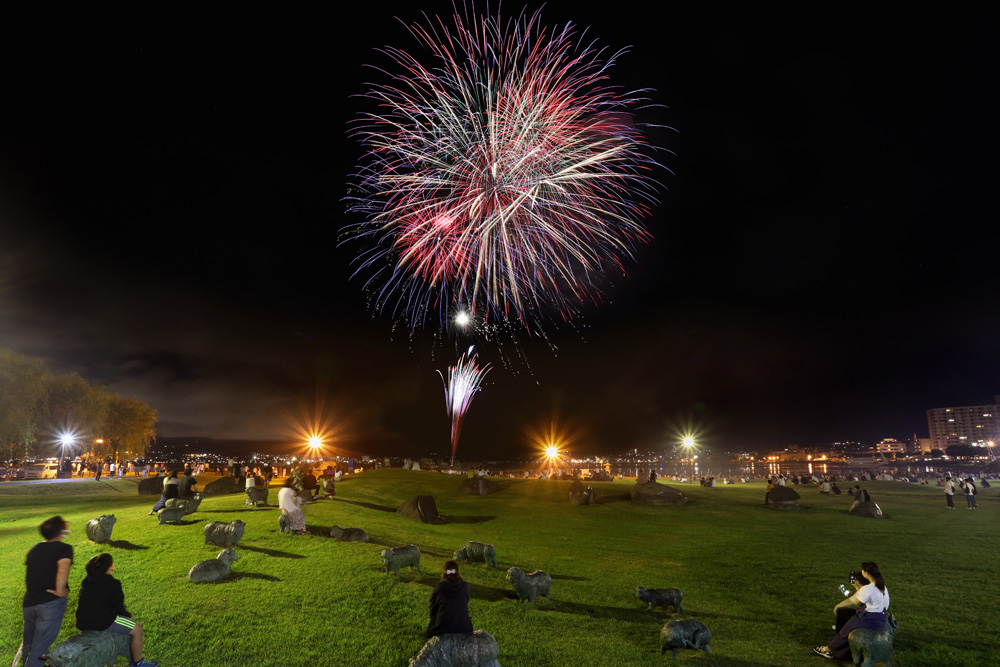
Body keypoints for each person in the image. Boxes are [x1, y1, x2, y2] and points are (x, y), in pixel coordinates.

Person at [76, 553, 158, 667]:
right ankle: (138, 663)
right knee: (138, 629)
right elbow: (118, 607)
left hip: (82, 622)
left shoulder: (87, 581)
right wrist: (127, 616)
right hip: (101, 622)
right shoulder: (113, 584)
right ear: (109, 567)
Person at [21, 516, 73, 666]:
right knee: (40, 649)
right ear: (62, 531)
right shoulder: (64, 548)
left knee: (29, 645)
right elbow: (63, 570)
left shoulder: (34, 549)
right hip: (50, 604)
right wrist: (59, 591)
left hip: (30, 603)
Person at [814, 562, 890, 661]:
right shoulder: (882, 587)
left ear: (865, 573)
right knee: (847, 618)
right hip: (881, 618)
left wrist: (858, 589)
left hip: (868, 618)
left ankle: (828, 650)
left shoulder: (867, 589)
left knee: (845, 631)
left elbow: (857, 603)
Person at [425, 560, 473, 639]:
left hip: (442, 628)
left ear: (444, 572)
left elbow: (433, 608)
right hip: (464, 627)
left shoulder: (439, 586)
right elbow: (465, 602)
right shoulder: (464, 586)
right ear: (457, 572)